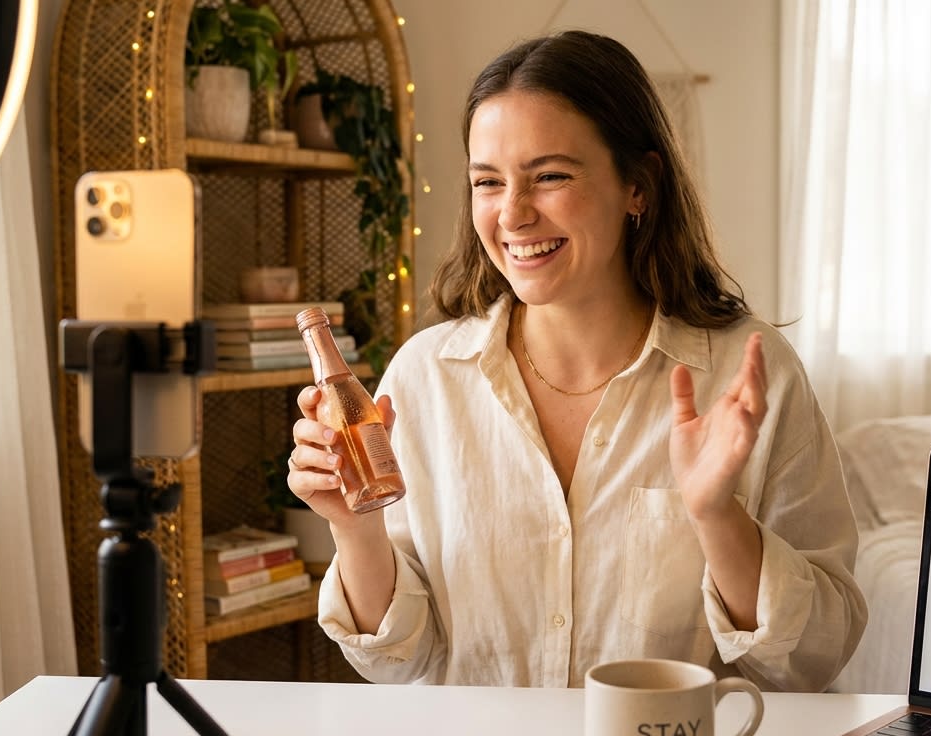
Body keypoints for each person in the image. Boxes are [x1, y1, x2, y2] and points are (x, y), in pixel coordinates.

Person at [286, 30, 866, 690]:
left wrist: (716, 516)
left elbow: (815, 655)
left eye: (551, 176)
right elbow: (398, 662)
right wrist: (356, 530)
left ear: (638, 187)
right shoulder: (423, 379)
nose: (513, 213)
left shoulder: (750, 376)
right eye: (487, 182)